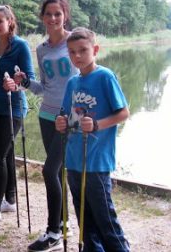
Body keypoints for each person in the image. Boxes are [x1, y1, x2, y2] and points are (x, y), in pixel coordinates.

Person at [55, 27, 131, 252]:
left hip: (96, 162)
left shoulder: (105, 76)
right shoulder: (72, 83)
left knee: (105, 220)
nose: (77, 56)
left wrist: (97, 124)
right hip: (74, 160)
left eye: (82, 50)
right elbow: (66, 116)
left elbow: (123, 112)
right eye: (72, 52)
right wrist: (60, 123)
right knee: (85, 223)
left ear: (95, 49)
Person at [21, 0, 80, 251]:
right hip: (46, 115)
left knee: (48, 170)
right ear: (42, 17)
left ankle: (54, 231)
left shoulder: (76, 42)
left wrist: (77, 114)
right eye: (48, 14)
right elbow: (43, 87)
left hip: (70, 118)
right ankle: (62, 225)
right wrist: (24, 82)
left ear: (65, 15)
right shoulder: (42, 49)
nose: (53, 18)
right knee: (56, 172)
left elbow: (87, 79)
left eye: (58, 13)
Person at [0, 5, 35, 226]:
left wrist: (16, 83)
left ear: (10, 21)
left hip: (14, 108)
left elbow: (28, 80)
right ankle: (10, 200)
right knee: (7, 153)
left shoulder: (20, 46)